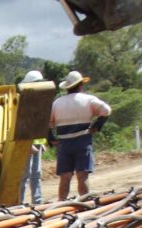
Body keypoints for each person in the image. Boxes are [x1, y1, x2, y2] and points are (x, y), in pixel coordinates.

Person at [48, 70, 111, 200]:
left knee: (65, 177)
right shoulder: (88, 99)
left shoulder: (57, 103)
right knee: (82, 176)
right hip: (82, 141)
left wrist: (51, 138)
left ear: (67, 87)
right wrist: (96, 125)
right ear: (80, 85)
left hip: (64, 143)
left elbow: (48, 123)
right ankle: (85, 204)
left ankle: (61, 205)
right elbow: (106, 110)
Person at [18, 70, 47, 205]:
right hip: (26, 144)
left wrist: (42, 142)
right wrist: (28, 145)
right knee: (25, 175)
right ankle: (20, 203)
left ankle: (37, 202)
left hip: (37, 144)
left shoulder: (39, 103)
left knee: (36, 174)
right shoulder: (25, 103)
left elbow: (38, 126)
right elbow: (22, 126)